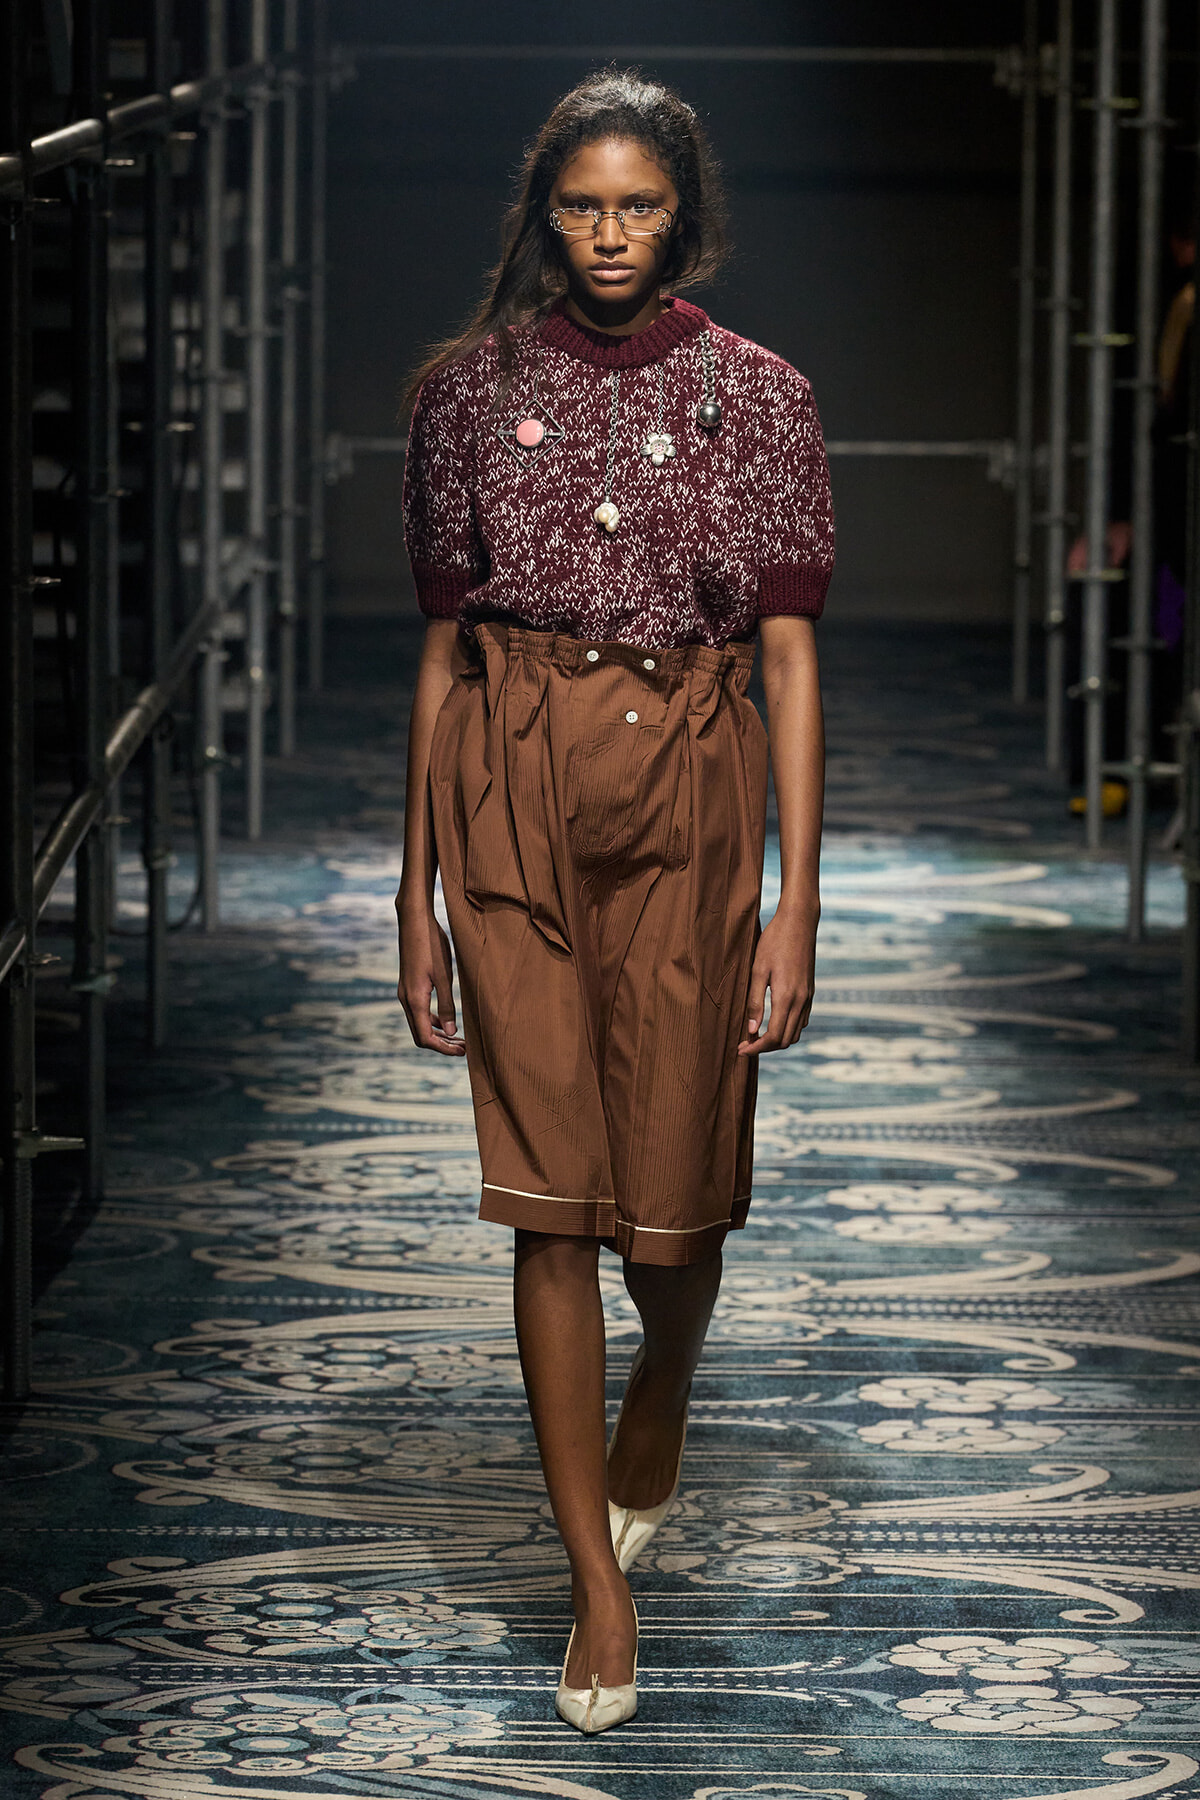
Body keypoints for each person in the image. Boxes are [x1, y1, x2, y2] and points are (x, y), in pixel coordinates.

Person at [395, 69, 833, 1734]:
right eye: (581, 203)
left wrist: (798, 903)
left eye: (638, 204)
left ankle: (667, 1377)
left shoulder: (768, 400)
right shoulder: (462, 395)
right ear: (543, 208)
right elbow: (437, 656)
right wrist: (410, 894)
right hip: (508, 768)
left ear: (685, 213)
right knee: (547, 1195)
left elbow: (791, 658)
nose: (607, 233)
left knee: (681, 1191)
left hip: (698, 779)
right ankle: (595, 1579)